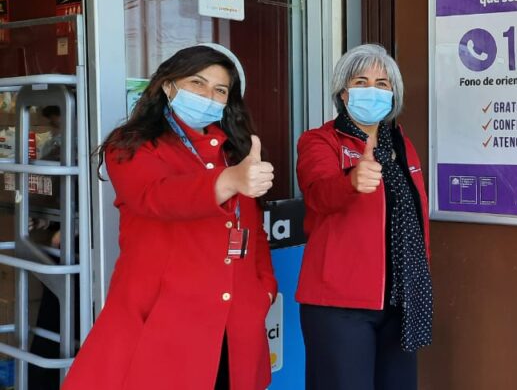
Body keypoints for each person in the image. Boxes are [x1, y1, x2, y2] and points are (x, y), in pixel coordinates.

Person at [63, 44, 277, 390]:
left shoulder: (233, 150)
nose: (209, 95)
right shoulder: (131, 144)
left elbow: (253, 234)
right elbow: (156, 197)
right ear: (167, 86)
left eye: (220, 90)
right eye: (197, 82)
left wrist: (262, 289)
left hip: (232, 325)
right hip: (161, 324)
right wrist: (228, 181)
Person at [296, 44, 432, 389]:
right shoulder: (319, 141)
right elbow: (318, 193)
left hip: (401, 301)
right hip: (339, 305)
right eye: (361, 81)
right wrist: (352, 181)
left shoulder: (402, 145)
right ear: (344, 93)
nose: (372, 90)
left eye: (383, 84)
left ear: (393, 95)